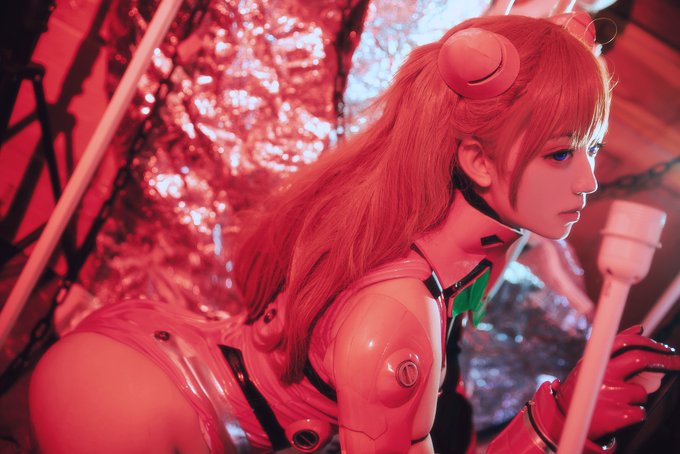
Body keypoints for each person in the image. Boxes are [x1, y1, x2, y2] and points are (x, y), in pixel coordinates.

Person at [28, 12, 680, 454]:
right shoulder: (395, 317)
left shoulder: (396, 234)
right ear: (478, 162)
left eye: (592, 150)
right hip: (150, 415)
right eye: (562, 154)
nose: (590, 180)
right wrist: (556, 421)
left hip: (144, 356)